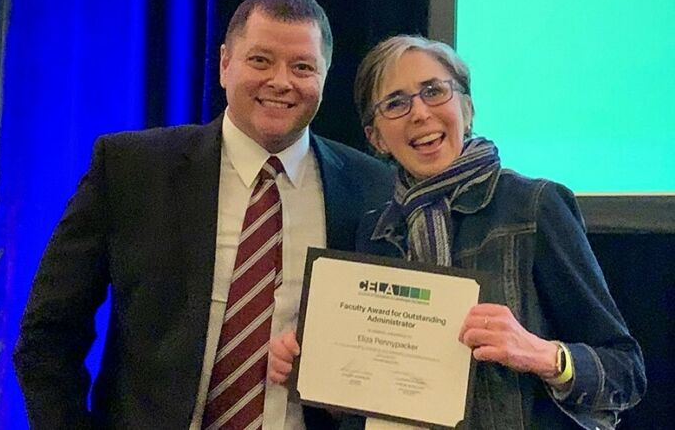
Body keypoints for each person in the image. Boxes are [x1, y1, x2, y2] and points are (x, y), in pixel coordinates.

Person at [13, 0, 394, 430]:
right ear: (224, 64)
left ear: (324, 78)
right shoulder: (131, 170)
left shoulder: (371, 187)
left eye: (303, 67)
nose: (281, 81)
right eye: (260, 60)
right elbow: (49, 333)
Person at [268, 35, 646, 429]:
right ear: (376, 137)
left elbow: (625, 370)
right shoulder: (377, 231)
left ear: (466, 108)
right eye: (396, 103)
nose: (419, 113)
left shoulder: (533, 206)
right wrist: (315, 371)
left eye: (434, 91)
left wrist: (541, 354)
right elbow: (368, 404)